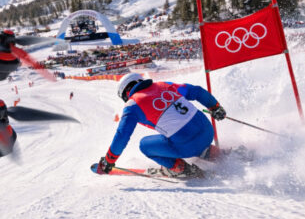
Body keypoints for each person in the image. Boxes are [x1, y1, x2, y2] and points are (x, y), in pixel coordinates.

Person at [95, 72, 226, 177]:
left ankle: (181, 169)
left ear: (126, 93)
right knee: (183, 131)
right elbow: (196, 91)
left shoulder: (132, 104)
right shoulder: (164, 84)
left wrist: (109, 160)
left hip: (187, 146)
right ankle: (213, 153)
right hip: (208, 132)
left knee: (144, 145)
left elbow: (122, 135)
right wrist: (215, 107)